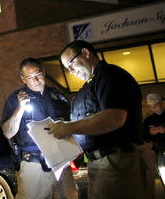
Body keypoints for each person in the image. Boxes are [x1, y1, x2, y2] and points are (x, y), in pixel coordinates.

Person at [47, 40, 146, 199]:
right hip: (98, 163)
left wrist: (67, 127)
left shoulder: (111, 76)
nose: (70, 71)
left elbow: (114, 118)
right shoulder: (88, 87)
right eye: (67, 69)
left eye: (71, 63)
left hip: (116, 161)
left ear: (86, 53)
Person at [1, 58, 78, 199]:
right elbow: (7, 132)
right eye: (29, 77)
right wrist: (20, 108)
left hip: (62, 160)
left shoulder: (58, 96)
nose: (35, 80)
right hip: (34, 164)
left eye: (38, 74)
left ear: (44, 72)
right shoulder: (15, 99)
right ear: (22, 79)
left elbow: (73, 123)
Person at [144, 93, 165, 191]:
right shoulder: (148, 120)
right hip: (159, 150)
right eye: (151, 106)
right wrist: (150, 133)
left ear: (161, 103)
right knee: (163, 172)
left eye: (156, 105)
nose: (154, 108)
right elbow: (144, 136)